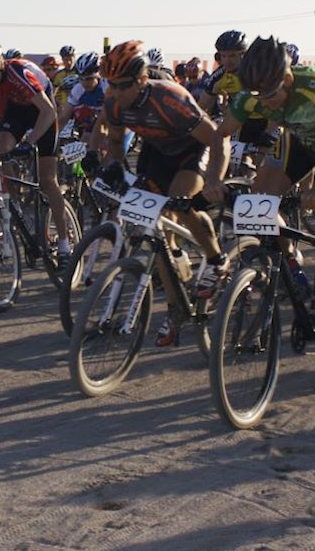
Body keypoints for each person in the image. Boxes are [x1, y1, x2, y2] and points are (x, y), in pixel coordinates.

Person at [205, 36, 315, 383]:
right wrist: (214, 179)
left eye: (272, 95)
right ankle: (290, 267)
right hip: (298, 142)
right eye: (259, 97)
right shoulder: (253, 94)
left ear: (288, 77)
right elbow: (221, 135)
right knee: (255, 205)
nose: (266, 103)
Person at [90, 41, 225, 346]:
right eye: (112, 84)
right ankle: (176, 304)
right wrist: (112, 166)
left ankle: (217, 261)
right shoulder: (113, 102)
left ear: (141, 80)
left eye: (123, 86)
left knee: (181, 204)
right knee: (151, 227)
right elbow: (114, 143)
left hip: (193, 151)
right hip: (157, 153)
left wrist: (215, 179)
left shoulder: (170, 98)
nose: (116, 92)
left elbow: (217, 140)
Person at [0, 37, 72, 265]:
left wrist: (30, 141)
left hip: (42, 111)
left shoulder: (18, 73)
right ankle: (15, 202)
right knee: (2, 148)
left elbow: (49, 112)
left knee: (48, 181)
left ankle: (65, 244)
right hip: (16, 111)